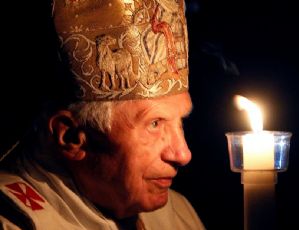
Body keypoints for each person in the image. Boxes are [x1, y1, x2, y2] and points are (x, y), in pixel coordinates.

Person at [0, 0, 205, 229]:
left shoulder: (178, 214)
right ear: (72, 137)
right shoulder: (13, 221)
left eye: (180, 122)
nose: (183, 154)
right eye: (155, 124)